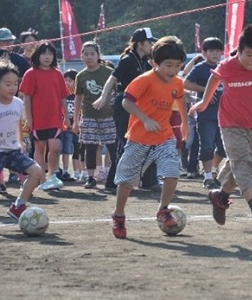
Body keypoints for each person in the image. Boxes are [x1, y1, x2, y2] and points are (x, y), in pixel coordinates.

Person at [190, 24, 252, 227]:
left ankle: (221, 197)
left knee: (238, 163)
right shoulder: (228, 65)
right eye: (248, 55)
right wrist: (204, 103)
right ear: (239, 52)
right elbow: (213, 80)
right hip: (230, 124)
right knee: (242, 163)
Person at [111, 36, 189, 239]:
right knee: (127, 182)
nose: (172, 70)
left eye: (178, 66)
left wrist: (185, 123)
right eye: (168, 65)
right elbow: (126, 103)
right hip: (139, 138)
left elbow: (180, 100)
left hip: (164, 136)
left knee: (172, 172)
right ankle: (119, 215)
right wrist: (144, 120)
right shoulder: (144, 80)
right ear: (155, 62)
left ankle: (163, 209)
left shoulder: (177, 83)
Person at [94, 27, 158, 192]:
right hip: (124, 104)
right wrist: (103, 96)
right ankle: (112, 183)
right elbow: (111, 79)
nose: (152, 45)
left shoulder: (146, 61)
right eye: (150, 42)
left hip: (141, 105)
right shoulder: (128, 59)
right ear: (140, 43)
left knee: (148, 140)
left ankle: (149, 181)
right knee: (124, 143)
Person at [19, 41, 70, 191]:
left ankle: (52, 176)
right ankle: (40, 179)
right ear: (37, 55)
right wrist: (29, 119)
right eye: (44, 53)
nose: (47, 57)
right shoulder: (31, 73)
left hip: (55, 118)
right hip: (37, 120)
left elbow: (63, 97)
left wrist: (67, 117)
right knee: (39, 149)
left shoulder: (58, 73)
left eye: (50, 53)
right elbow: (26, 98)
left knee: (55, 147)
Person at [0, 61, 41, 219]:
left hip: (13, 151)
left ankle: (18, 206)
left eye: (15, 83)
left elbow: (17, 125)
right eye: (8, 84)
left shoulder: (18, 104)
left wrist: (20, 142)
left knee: (36, 171)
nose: (13, 87)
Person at [72, 41, 116, 189]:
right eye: (86, 54)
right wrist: (76, 120)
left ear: (98, 55)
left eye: (92, 54)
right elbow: (78, 97)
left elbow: (116, 91)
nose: (89, 57)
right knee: (90, 146)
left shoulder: (109, 72)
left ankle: (114, 174)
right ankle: (90, 177)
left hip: (108, 115)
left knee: (112, 145)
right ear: (81, 56)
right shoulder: (81, 75)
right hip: (89, 115)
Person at [184, 37, 226, 189]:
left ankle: (213, 169)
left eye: (218, 51)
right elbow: (186, 83)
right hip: (206, 113)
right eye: (211, 51)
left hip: (225, 114)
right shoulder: (200, 68)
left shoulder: (224, 66)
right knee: (207, 145)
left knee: (223, 147)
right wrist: (205, 91)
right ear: (204, 53)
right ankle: (208, 176)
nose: (215, 54)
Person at [61, 69, 82, 181]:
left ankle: (77, 172)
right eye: (65, 81)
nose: (67, 83)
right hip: (66, 127)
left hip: (77, 126)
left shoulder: (78, 96)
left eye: (70, 80)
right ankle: (64, 171)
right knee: (66, 149)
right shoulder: (63, 96)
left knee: (77, 150)